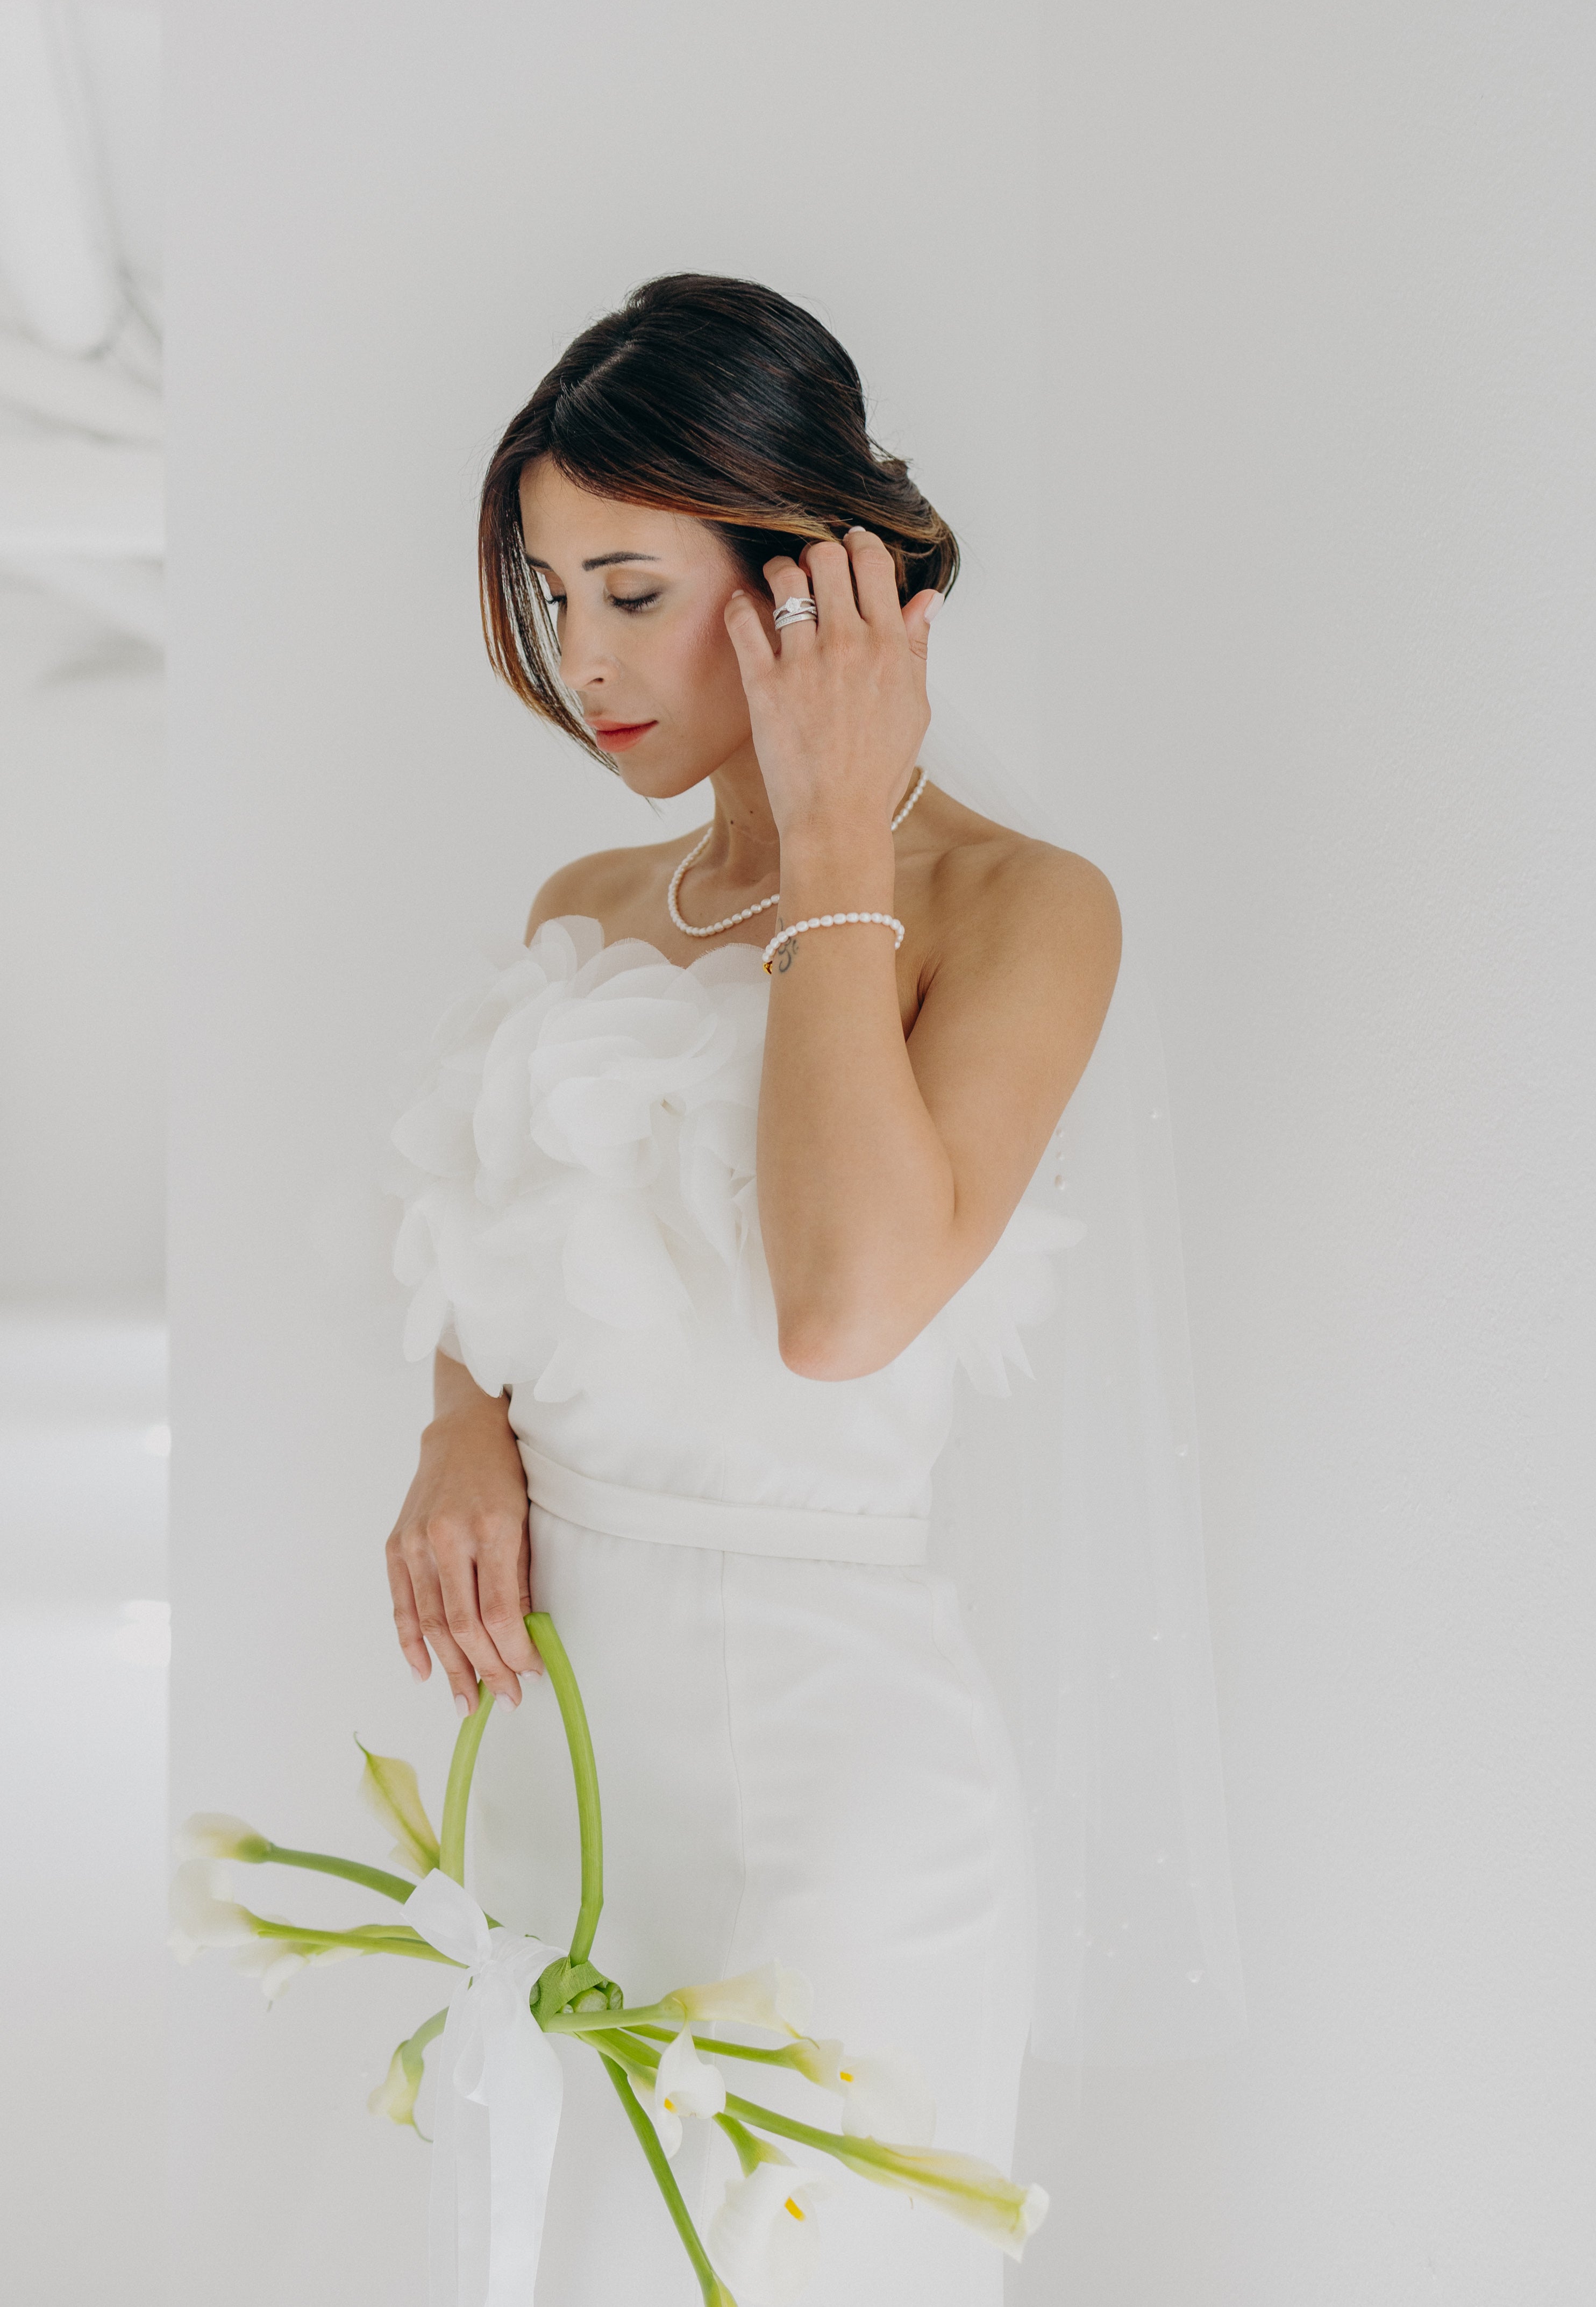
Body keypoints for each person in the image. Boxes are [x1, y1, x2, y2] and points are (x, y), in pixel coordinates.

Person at [383, 273, 1121, 2305]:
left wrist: (828, 832)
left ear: (811, 584)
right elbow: (497, 1239)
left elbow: (842, 1304)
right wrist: (462, 1424)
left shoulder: (1020, 911)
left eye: (631, 590)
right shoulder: (586, 907)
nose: (584, 661)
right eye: (552, 599)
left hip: (837, 1785)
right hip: (561, 1763)